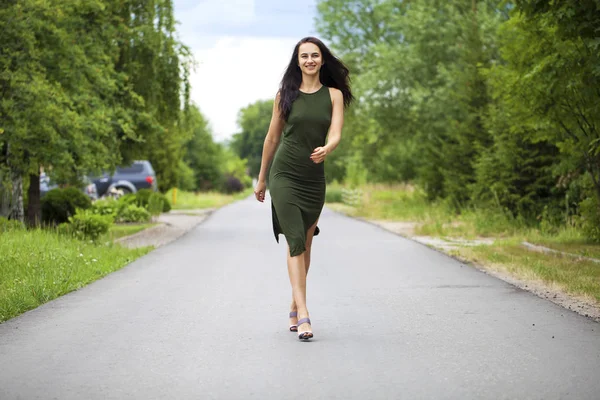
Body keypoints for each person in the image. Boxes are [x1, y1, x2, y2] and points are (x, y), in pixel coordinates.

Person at [254, 37, 354, 341]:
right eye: (304, 56)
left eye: (315, 55)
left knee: (306, 245)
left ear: (322, 60)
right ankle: (306, 313)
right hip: (284, 173)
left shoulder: (333, 95)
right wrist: (261, 179)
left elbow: (335, 132)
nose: (309, 60)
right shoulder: (285, 95)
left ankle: (294, 305)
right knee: (295, 240)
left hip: (313, 178)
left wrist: (328, 147)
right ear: (297, 62)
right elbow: (271, 139)